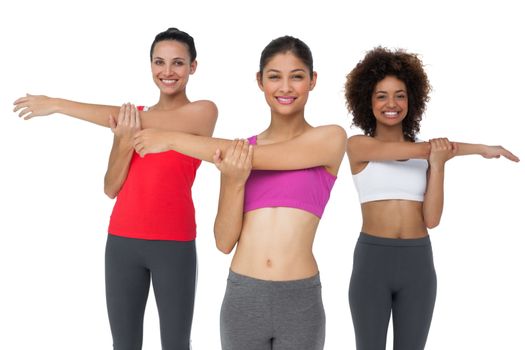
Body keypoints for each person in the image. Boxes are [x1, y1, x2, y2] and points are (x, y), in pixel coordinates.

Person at [131, 35, 347, 350]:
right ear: (260, 81)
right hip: (243, 296)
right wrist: (233, 180)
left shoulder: (329, 139)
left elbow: (262, 158)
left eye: (296, 77)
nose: (285, 87)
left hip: (299, 299)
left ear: (312, 81)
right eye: (274, 76)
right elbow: (223, 241)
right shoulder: (239, 153)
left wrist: (172, 138)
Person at [13, 28, 217, 350]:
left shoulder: (203, 112)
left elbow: (142, 122)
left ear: (193, 67)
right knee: (123, 344)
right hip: (122, 243)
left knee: (176, 344)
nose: (167, 71)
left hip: (174, 244)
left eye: (178, 63)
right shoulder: (129, 123)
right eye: (159, 62)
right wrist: (122, 140)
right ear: (150, 65)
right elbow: (111, 188)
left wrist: (58, 104)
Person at [344, 47, 519, 350]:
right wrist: (479, 147)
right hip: (373, 262)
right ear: (367, 101)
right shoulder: (358, 146)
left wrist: (438, 164)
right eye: (381, 95)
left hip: (418, 263)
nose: (391, 104)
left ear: (411, 100)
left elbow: (432, 220)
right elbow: (417, 149)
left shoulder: (427, 157)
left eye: (400, 95)